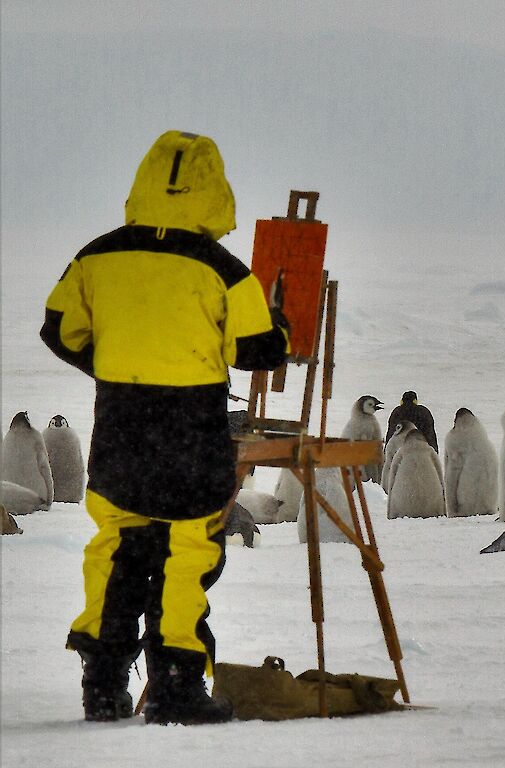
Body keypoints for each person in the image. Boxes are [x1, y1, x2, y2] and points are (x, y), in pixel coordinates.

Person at [42, 130, 288, 725]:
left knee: (116, 550)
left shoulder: (96, 255)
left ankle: (102, 684)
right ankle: (176, 686)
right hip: (190, 435)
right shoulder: (223, 271)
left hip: (120, 431)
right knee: (186, 555)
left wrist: (115, 368)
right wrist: (277, 323)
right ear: (211, 191)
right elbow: (260, 351)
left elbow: (59, 330)